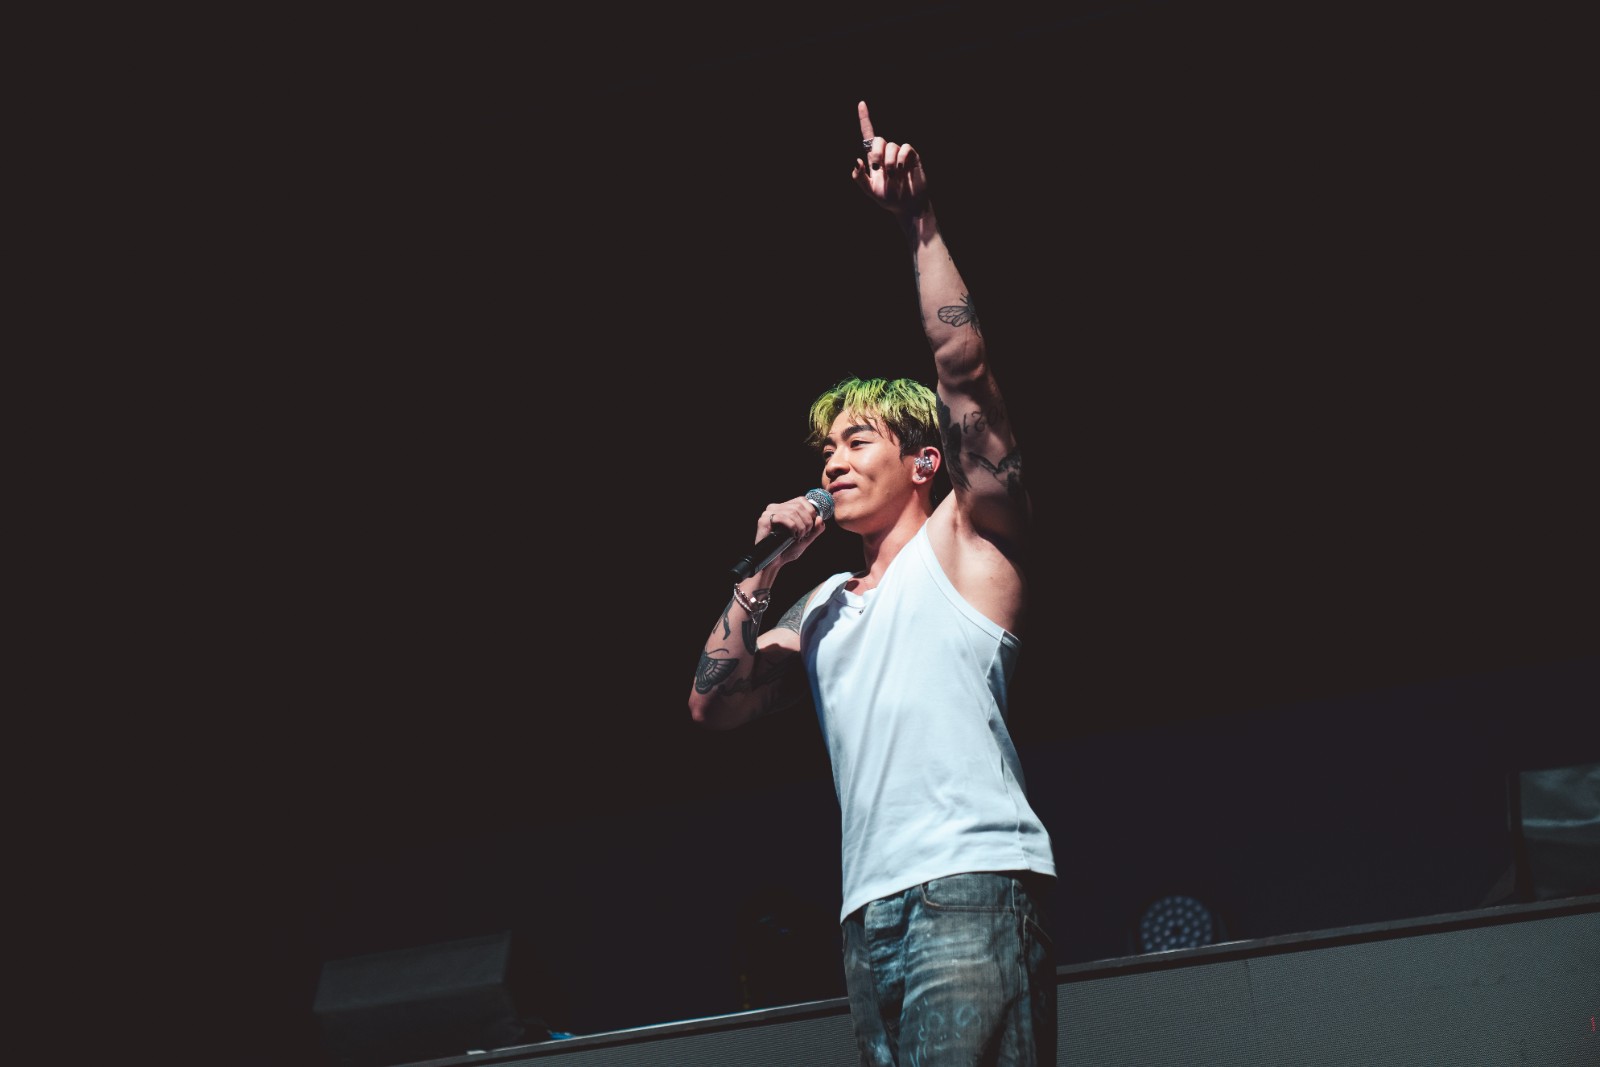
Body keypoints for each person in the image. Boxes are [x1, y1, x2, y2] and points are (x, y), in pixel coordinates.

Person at [689, 100, 1057, 1067]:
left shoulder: (967, 540)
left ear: (925, 462)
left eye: (858, 441)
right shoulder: (819, 611)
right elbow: (713, 706)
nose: (834, 462)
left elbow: (963, 369)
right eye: (827, 449)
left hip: (971, 882)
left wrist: (919, 222)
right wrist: (767, 569)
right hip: (868, 910)